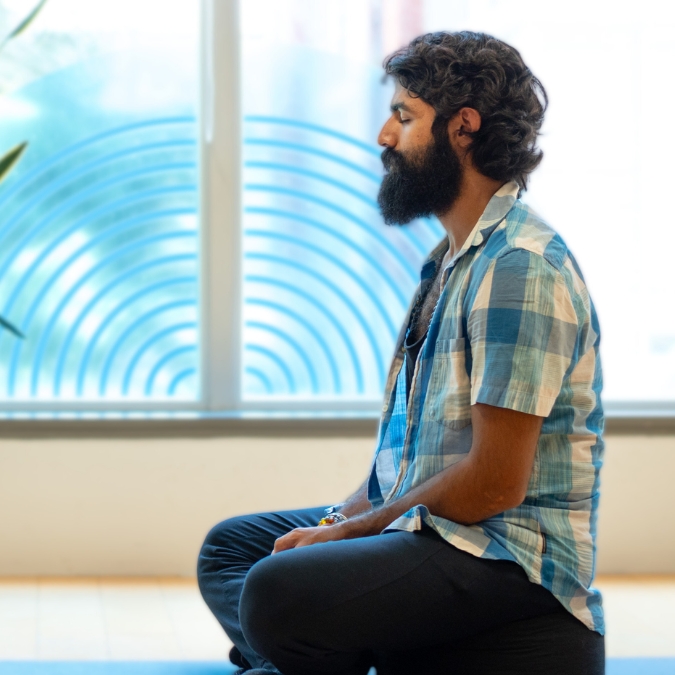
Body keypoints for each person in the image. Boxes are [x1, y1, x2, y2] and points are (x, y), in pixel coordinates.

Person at [198, 31, 605, 675]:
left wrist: (339, 539)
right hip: (435, 535)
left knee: (277, 594)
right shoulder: (447, 263)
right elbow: (410, 462)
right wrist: (343, 517)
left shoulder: (519, 268)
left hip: (502, 558)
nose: (385, 136)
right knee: (233, 550)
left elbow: (494, 483)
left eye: (404, 116)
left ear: (462, 129)